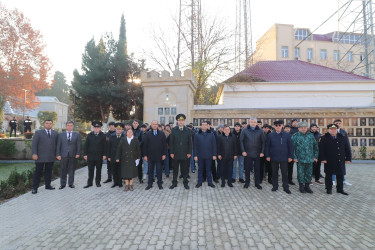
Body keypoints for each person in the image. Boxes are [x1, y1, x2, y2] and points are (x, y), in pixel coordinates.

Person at [319, 124, 352, 195]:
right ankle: (328, 189)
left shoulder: (343, 137)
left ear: (337, 129)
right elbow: (321, 150)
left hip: (340, 159)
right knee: (328, 175)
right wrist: (323, 158)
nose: (333, 130)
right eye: (331, 129)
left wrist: (348, 158)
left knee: (340, 175)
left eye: (334, 129)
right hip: (329, 160)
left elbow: (347, 148)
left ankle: (340, 189)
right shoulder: (324, 137)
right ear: (328, 130)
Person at [265, 120, 293, 194]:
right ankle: (275, 186)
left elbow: (290, 147)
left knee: (284, 173)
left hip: (284, 157)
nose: (278, 127)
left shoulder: (287, 135)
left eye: (279, 125)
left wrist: (290, 156)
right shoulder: (270, 135)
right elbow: (267, 146)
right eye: (276, 125)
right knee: (274, 173)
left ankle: (286, 187)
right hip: (274, 157)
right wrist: (267, 155)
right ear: (274, 126)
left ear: (282, 126)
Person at [31, 120, 58, 194]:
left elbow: (57, 145)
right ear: (44, 124)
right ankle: (35, 188)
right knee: (38, 172)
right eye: (47, 123)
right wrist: (34, 154)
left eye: (50, 123)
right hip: (40, 157)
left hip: (51, 157)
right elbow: (34, 144)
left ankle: (48, 185)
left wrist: (57, 154)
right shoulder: (38, 133)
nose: (49, 125)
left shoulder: (55, 133)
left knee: (48, 172)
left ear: (52, 124)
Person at [291, 121, 319, 194]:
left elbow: (315, 146)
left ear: (307, 128)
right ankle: (301, 186)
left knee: (309, 173)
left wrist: (315, 156)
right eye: (301, 127)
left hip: (309, 159)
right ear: (298, 128)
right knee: (300, 173)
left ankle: (307, 186)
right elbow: (292, 148)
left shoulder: (311, 136)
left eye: (305, 127)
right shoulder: (295, 136)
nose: (303, 129)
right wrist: (294, 157)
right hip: (299, 159)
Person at [240, 117, 265, 189]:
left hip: (257, 153)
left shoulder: (260, 131)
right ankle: (247, 182)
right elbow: (241, 141)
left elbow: (263, 142)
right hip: (247, 153)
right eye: (252, 122)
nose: (253, 123)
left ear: (256, 123)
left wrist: (262, 152)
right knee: (247, 169)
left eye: (254, 122)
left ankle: (257, 183)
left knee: (257, 169)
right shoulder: (244, 130)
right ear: (249, 122)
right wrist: (243, 151)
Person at [169, 114, 192, 190]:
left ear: (184, 121)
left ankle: (185, 182)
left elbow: (190, 143)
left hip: (185, 153)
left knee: (185, 169)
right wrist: (171, 152)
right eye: (179, 121)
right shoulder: (174, 130)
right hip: (175, 154)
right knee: (175, 170)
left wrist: (189, 152)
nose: (181, 122)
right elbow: (171, 142)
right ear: (177, 121)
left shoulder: (188, 130)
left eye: (182, 120)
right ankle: (174, 183)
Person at [56, 121, 81, 189]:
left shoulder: (77, 134)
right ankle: (63, 184)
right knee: (63, 170)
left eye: (71, 125)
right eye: (68, 125)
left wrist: (78, 153)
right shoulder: (61, 135)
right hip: (63, 155)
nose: (69, 127)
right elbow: (58, 145)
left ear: (73, 126)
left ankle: (71, 183)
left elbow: (78, 144)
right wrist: (58, 154)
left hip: (73, 155)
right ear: (66, 126)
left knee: (71, 170)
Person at [143, 120, 167, 190]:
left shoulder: (162, 134)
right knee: (150, 171)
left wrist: (164, 154)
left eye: (156, 124)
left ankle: (159, 184)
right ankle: (149, 184)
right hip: (150, 156)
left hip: (159, 156)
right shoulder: (148, 134)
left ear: (157, 125)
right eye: (153, 124)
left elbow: (164, 145)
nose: (155, 125)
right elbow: (145, 146)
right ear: (151, 125)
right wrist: (145, 155)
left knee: (159, 171)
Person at [83, 121, 107, 188]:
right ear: (93, 128)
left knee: (98, 170)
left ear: (100, 128)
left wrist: (104, 155)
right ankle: (89, 183)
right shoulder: (89, 135)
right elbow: (86, 146)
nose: (96, 129)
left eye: (98, 127)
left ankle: (98, 182)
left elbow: (105, 146)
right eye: (95, 127)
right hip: (90, 156)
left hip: (99, 156)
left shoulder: (103, 136)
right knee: (90, 170)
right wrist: (85, 154)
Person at [194, 121, 217, 188]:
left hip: (209, 155)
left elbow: (214, 145)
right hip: (200, 155)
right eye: (203, 125)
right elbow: (195, 146)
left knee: (208, 169)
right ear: (200, 126)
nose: (204, 126)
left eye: (205, 125)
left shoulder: (211, 134)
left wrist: (214, 154)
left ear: (207, 126)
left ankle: (210, 182)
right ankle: (199, 182)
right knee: (200, 169)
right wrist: (195, 155)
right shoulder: (197, 134)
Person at [107, 123, 125, 188]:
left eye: (120, 129)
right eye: (117, 129)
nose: (118, 130)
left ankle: (120, 183)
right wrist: (108, 156)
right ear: (115, 129)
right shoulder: (112, 136)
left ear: (122, 130)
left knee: (120, 170)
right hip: (113, 156)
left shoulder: (124, 137)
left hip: (121, 157)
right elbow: (109, 147)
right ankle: (115, 182)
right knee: (114, 170)